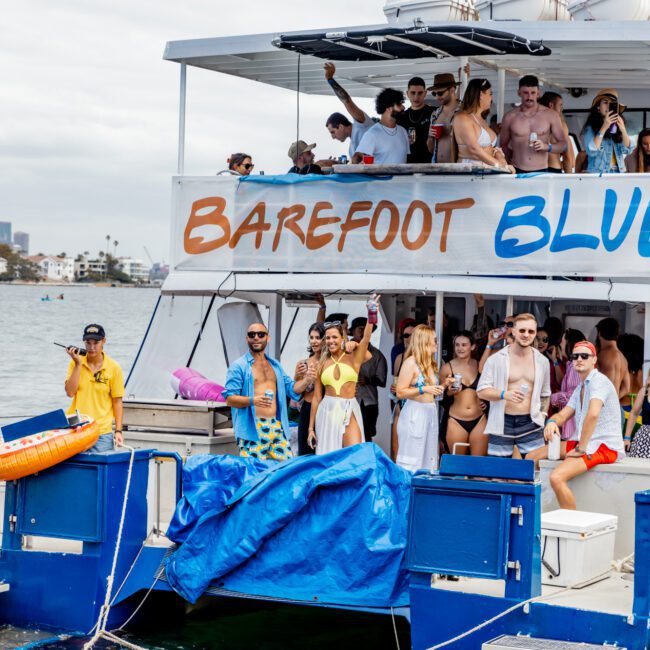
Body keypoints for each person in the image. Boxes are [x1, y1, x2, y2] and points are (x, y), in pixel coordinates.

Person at [543, 341, 625, 509]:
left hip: (603, 446)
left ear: (594, 360)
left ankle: (573, 527)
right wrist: (551, 422)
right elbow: (563, 414)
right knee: (531, 458)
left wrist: (581, 449)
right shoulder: (581, 386)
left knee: (556, 477)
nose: (579, 359)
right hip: (586, 442)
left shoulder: (599, 381)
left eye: (584, 356)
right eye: (575, 356)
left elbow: (593, 414)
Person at [224, 322, 313, 461]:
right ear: (247, 339)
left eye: (260, 334)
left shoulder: (275, 365)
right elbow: (230, 399)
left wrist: (307, 380)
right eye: (251, 335)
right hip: (252, 428)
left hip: (276, 425)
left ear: (268, 338)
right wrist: (253, 400)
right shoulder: (239, 366)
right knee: (254, 473)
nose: (256, 338)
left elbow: (292, 389)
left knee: (284, 470)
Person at [308, 296, 380, 454]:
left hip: (349, 407)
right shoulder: (321, 362)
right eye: (327, 338)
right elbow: (317, 397)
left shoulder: (354, 357)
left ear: (342, 338)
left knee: (354, 452)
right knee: (328, 455)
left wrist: (372, 312)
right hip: (327, 409)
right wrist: (310, 428)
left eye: (334, 337)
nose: (331, 341)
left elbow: (366, 338)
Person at [477, 313, 551, 458]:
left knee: (533, 470)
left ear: (535, 333)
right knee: (498, 473)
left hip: (531, 422)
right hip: (502, 420)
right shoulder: (496, 359)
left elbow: (545, 394)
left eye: (531, 331)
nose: (526, 335)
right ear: (514, 331)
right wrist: (504, 394)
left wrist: (542, 416)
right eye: (522, 330)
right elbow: (481, 391)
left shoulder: (542, 361)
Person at [396, 325, 452, 471]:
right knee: (413, 457)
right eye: (434, 340)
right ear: (424, 341)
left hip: (430, 412)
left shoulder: (430, 363)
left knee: (429, 457)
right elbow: (400, 392)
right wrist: (423, 389)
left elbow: (430, 393)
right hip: (415, 413)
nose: (437, 343)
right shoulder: (410, 363)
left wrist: (445, 385)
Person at [65, 324, 124, 452]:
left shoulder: (114, 368)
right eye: (88, 343)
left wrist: (118, 431)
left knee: (101, 470)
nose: (91, 347)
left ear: (104, 341)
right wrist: (78, 364)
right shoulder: (75, 363)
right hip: (77, 429)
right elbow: (70, 392)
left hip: (101, 433)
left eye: (96, 343)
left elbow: (117, 402)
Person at [500, 75, 567, 174]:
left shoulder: (550, 115)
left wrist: (546, 147)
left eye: (533, 93)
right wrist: (508, 164)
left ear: (538, 93)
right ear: (519, 93)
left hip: (542, 171)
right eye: (525, 93)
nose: (529, 97)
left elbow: (564, 145)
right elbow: (503, 146)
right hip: (516, 170)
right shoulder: (509, 117)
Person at [440, 331, 488, 456]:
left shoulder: (479, 365)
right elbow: (440, 397)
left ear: (472, 346)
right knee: (458, 465)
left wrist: (486, 402)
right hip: (456, 420)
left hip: (479, 419)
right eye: (457, 345)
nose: (460, 348)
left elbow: (488, 388)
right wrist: (449, 392)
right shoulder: (446, 367)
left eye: (464, 345)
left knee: (478, 466)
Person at [453, 79, 509, 169]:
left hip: (486, 170)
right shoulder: (462, 118)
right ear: (481, 95)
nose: (491, 98)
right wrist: (500, 166)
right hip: (470, 170)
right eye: (490, 94)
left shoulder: (481, 119)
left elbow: (488, 148)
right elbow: (474, 149)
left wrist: (500, 157)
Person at [324, 62, 374, 159]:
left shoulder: (361, 124)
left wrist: (330, 80)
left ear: (341, 126)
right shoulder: (351, 150)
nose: (333, 137)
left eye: (333, 132)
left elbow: (346, 101)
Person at [350, 316, 388, 442]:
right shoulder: (343, 351)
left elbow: (382, 381)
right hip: (348, 400)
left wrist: (368, 380)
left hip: (369, 402)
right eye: (360, 329)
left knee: (366, 435)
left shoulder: (377, 355)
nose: (363, 332)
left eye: (365, 329)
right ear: (353, 331)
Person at [352, 89, 410, 165]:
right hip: (380, 177)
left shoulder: (403, 131)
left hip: (402, 177)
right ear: (388, 108)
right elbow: (356, 158)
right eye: (399, 104)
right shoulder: (372, 134)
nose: (403, 107)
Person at [582, 88, 631, 174]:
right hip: (599, 174)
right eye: (605, 102)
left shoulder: (618, 127)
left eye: (611, 104)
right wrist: (604, 127)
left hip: (619, 173)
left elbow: (627, 149)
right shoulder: (590, 128)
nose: (608, 106)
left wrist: (623, 129)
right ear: (598, 107)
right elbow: (591, 151)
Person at [294, 322, 325, 456]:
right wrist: (298, 376)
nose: (314, 341)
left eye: (317, 337)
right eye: (311, 337)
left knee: (323, 450)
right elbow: (295, 393)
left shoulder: (329, 362)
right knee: (305, 451)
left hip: (325, 409)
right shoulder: (303, 363)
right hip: (307, 408)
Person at [550, 328, 586, 440]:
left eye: (563, 341)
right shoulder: (570, 365)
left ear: (570, 343)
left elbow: (574, 396)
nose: (560, 343)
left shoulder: (576, 368)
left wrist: (551, 398)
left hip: (573, 426)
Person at [396, 77, 434, 163]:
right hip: (406, 165)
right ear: (407, 94)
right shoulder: (401, 117)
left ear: (425, 93)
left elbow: (453, 107)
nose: (416, 97)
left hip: (430, 165)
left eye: (420, 93)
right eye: (413, 93)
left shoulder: (434, 112)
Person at [427, 72, 462, 163]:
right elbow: (430, 149)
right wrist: (430, 137)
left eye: (440, 93)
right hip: (437, 168)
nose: (437, 97)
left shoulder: (464, 111)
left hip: (458, 170)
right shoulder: (435, 115)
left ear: (452, 90)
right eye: (434, 94)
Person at [539, 92, 575, 173]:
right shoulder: (561, 125)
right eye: (560, 105)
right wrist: (568, 178)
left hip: (536, 170)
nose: (562, 108)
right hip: (553, 169)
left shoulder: (535, 122)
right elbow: (567, 156)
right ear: (551, 105)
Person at [595, 317, 629, 401]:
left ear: (599, 333)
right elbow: (626, 388)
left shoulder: (603, 354)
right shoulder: (622, 357)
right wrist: (614, 400)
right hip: (615, 407)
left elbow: (604, 387)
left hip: (603, 407)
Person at [624, 369, 650, 457]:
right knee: (638, 467)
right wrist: (627, 438)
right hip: (644, 437)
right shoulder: (644, 391)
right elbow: (634, 413)